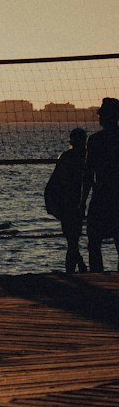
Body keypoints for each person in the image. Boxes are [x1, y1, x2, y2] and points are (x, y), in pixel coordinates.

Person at [44, 127, 88, 275]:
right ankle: (79, 268)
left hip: (66, 202)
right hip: (71, 202)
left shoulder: (67, 157)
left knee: (72, 240)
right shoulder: (82, 158)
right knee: (73, 240)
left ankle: (77, 268)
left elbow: (53, 183)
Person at [85, 97, 119, 275]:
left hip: (101, 196)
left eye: (102, 112)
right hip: (113, 196)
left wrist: (82, 201)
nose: (98, 114)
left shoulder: (95, 140)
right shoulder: (96, 140)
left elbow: (88, 173)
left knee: (94, 242)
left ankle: (96, 276)